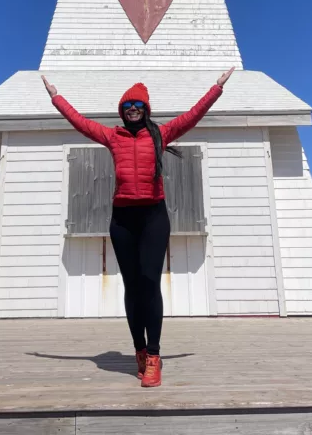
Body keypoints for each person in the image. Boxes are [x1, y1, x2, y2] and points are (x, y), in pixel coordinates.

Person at [41, 67, 235, 388]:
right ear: (122, 110)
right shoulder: (111, 136)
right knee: (132, 287)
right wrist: (55, 96)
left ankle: (155, 356)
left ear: (147, 110)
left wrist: (216, 88)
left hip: (153, 218)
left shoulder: (161, 134)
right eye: (128, 106)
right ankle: (140, 351)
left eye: (139, 106)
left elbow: (191, 117)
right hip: (122, 220)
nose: (133, 110)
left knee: (149, 282)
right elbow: (79, 121)